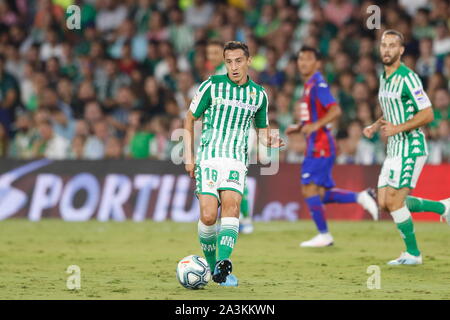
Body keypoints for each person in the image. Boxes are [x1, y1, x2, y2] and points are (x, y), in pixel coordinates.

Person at [184, 41, 284, 287]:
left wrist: (270, 140)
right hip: (208, 156)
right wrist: (189, 156)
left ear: (248, 61)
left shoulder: (259, 95)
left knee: (231, 208)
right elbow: (189, 118)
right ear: (224, 62)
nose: (234, 66)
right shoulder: (212, 86)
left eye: (238, 61)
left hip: (236, 160)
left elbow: (262, 131)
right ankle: (210, 265)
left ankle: (222, 268)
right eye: (229, 61)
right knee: (208, 217)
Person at [363, 29, 450, 265]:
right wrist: (374, 125)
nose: (387, 49)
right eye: (384, 45)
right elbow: (391, 109)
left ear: (401, 50)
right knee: (384, 202)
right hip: (393, 148)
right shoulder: (384, 77)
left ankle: (413, 254)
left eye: (393, 45)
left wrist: (398, 128)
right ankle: (443, 207)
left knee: (394, 201)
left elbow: (428, 113)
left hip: (411, 145)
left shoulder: (408, 77)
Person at [285, 46, 379, 248]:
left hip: (320, 145)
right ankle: (360, 196)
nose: (303, 62)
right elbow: (314, 116)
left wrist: (315, 126)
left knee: (308, 188)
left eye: (308, 59)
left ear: (317, 63)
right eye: (300, 59)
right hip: (317, 144)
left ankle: (324, 234)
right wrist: (300, 127)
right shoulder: (309, 84)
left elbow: (335, 110)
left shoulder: (318, 83)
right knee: (319, 194)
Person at [206, 39, 254, 234]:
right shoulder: (216, 75)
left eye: (214, 53)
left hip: (239, 133)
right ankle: (238, 217)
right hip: (223, 135)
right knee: (230, 176)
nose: (211, 56)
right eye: (208, 53)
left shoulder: (226, 74)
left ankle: (244, 218)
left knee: (236, 175)